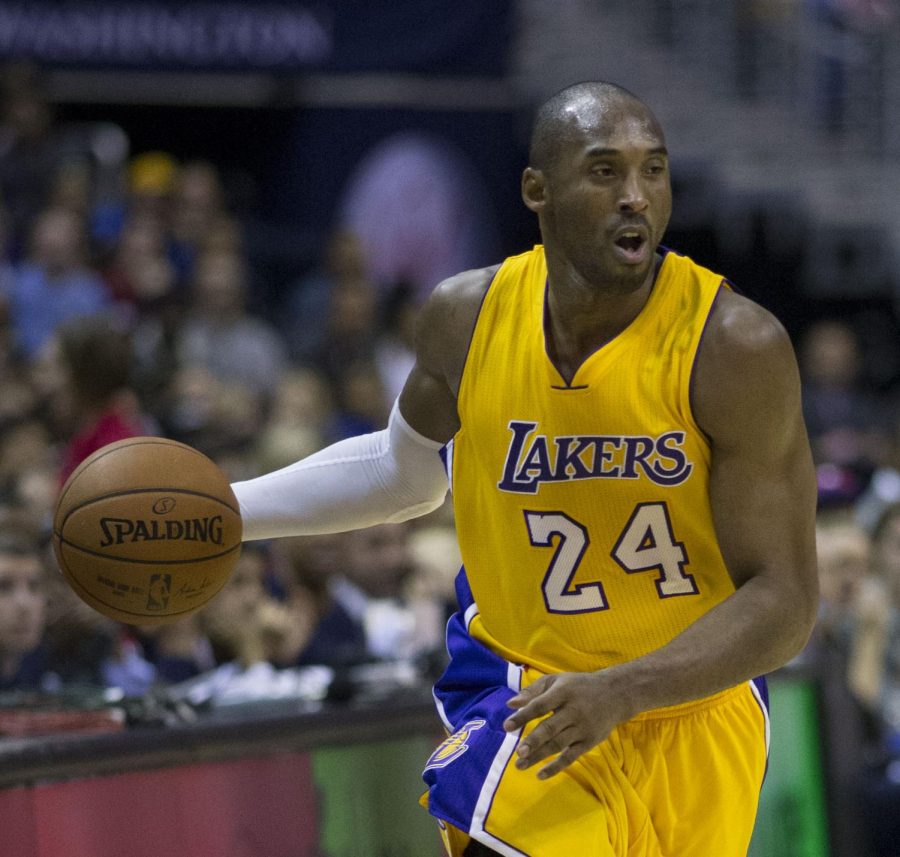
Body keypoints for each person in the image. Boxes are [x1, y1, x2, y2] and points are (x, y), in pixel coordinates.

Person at [231, 81, 819, 856]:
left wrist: (625, 689)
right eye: (606, 172)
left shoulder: (734, 347)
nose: (637, 197)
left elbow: (785, 600)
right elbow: (402, 471)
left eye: (655, 171)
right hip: (525, 698)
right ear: (537, 190)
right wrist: (226, 509)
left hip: (696, 710)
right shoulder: (466, 317)